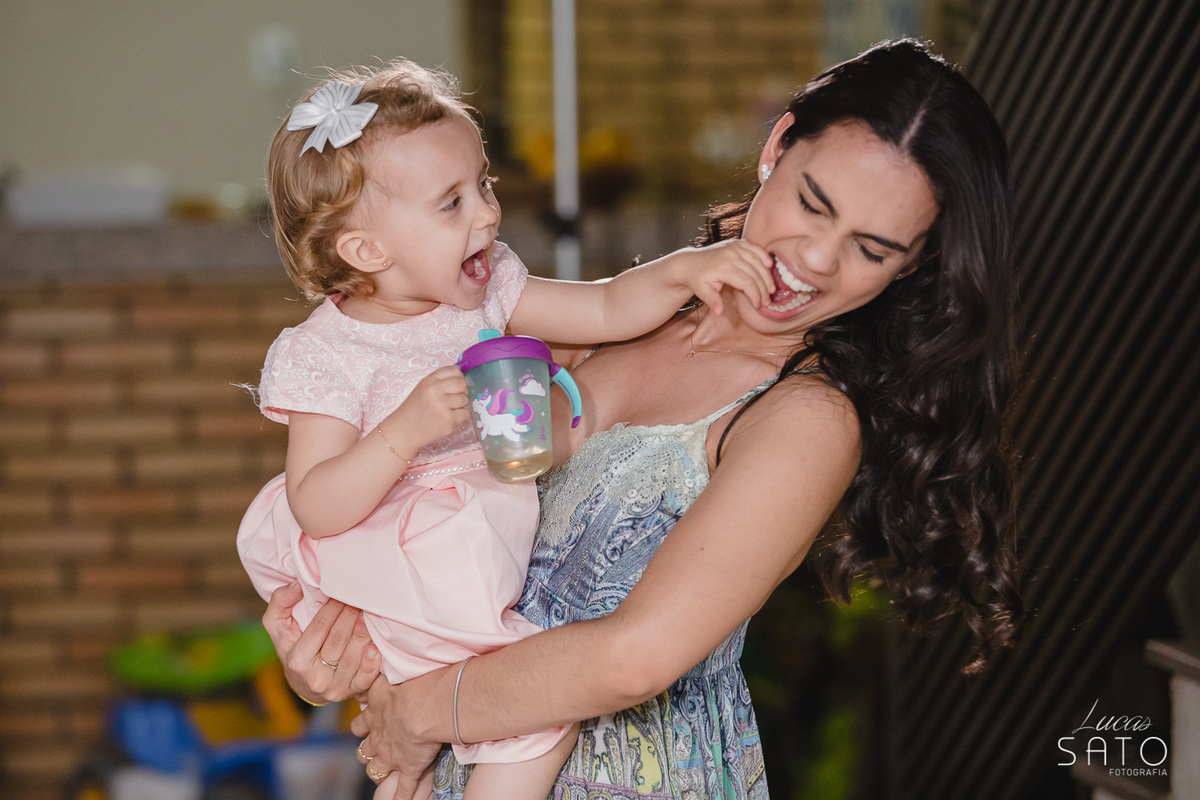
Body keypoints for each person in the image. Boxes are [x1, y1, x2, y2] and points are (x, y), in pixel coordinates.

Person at [260, 39, 1023, 800]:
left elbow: (635, 658)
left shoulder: (807, 417)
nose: (817, 259)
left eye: (871, 248)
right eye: (813, 203)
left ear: (914, 264)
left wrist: (418, 711)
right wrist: (341, 637)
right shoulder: (635, 311)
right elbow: (434, 507)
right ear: (778, 146)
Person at [237, 59, 778, 800]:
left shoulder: (486, 292)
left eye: (484, 184)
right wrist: (403, 432)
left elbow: (608, 309)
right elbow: (317, 503)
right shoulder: (326, 353)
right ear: (367, 250)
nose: (488, 214)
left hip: (468, 546)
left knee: (425, 734)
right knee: (530, 722)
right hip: (397, 556)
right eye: (451, 202)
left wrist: (688, 270)